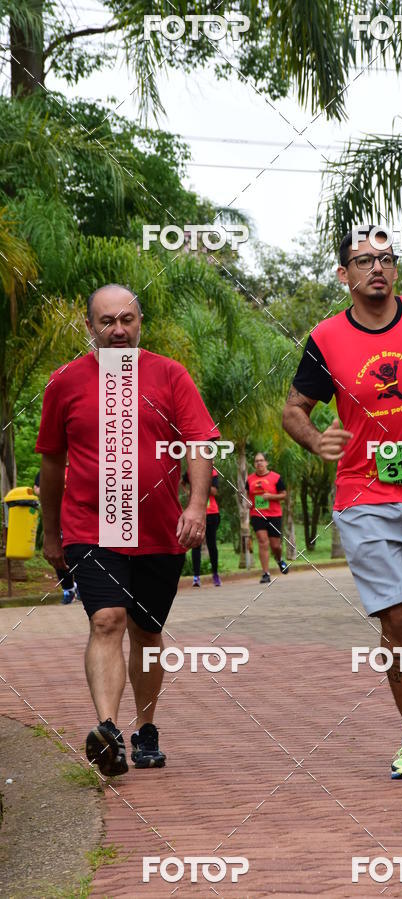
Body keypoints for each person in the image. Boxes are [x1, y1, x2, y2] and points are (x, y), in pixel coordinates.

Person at [282, 226, 402, 779]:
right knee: (397, 616)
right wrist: (316, 440)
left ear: (396, 269)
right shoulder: (326, 338)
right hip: (364, 493)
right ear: (345, 275)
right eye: (364, 261)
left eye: (385, 259)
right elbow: (294, 409)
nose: (377, 268)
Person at [36, 284, 217, 777]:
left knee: (147, 632)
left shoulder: (170, 374)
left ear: (140, 323)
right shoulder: (65, 382)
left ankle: (146, 728)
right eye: (107, 321)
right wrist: (50, 534)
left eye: (127, 320)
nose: (118, 329)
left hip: (158, 530)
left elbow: (199, 442)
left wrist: (195, 506)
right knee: (107, 620)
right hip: (91, 525)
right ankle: (109, 731)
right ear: (89, 326)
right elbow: (51, 462)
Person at [34, 468, 78, 604]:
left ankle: (81, 586)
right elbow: (37, 489)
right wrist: (51, 490)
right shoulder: (48, 469)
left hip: (77, 519)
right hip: (57, 520)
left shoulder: (77, 467)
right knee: (60, 556)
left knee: (78, 553)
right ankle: (68, 589)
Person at [245, 453, 289, 583]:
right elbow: (247, 495)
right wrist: (248, 502)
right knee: (263, 542)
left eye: (261, 460)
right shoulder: (250, 479)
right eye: (256, 461)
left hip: (274, 515)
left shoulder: (276, 477)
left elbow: (284, 495)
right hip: (257, 515)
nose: (259, 463)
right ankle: (265, 573)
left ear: (266, 463)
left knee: (275, 546)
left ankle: (279, 560)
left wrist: (271, 497)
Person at [182, 468, 222, 586]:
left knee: (212, 544)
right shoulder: (190, 471)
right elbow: (182, 482)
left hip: (212, 513)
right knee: (195, 544)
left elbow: (214, 491)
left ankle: (215, 575)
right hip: (196, 513)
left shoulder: (212, 472)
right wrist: (188, 492)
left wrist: (200, 486)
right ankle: (196, 578)